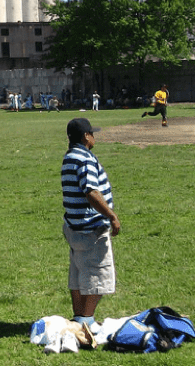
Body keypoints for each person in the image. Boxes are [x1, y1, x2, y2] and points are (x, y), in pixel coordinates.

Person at [61, 118, 120, 332]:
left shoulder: (69, 156)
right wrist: (111, 215)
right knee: (98, 273)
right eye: (92, 133)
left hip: (73, 227)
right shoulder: (85, 159)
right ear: (86, 136)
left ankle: (79, 317)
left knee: (78, 274)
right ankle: (87, 320)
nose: (95, 136)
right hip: (90, 229)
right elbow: (91, 192)